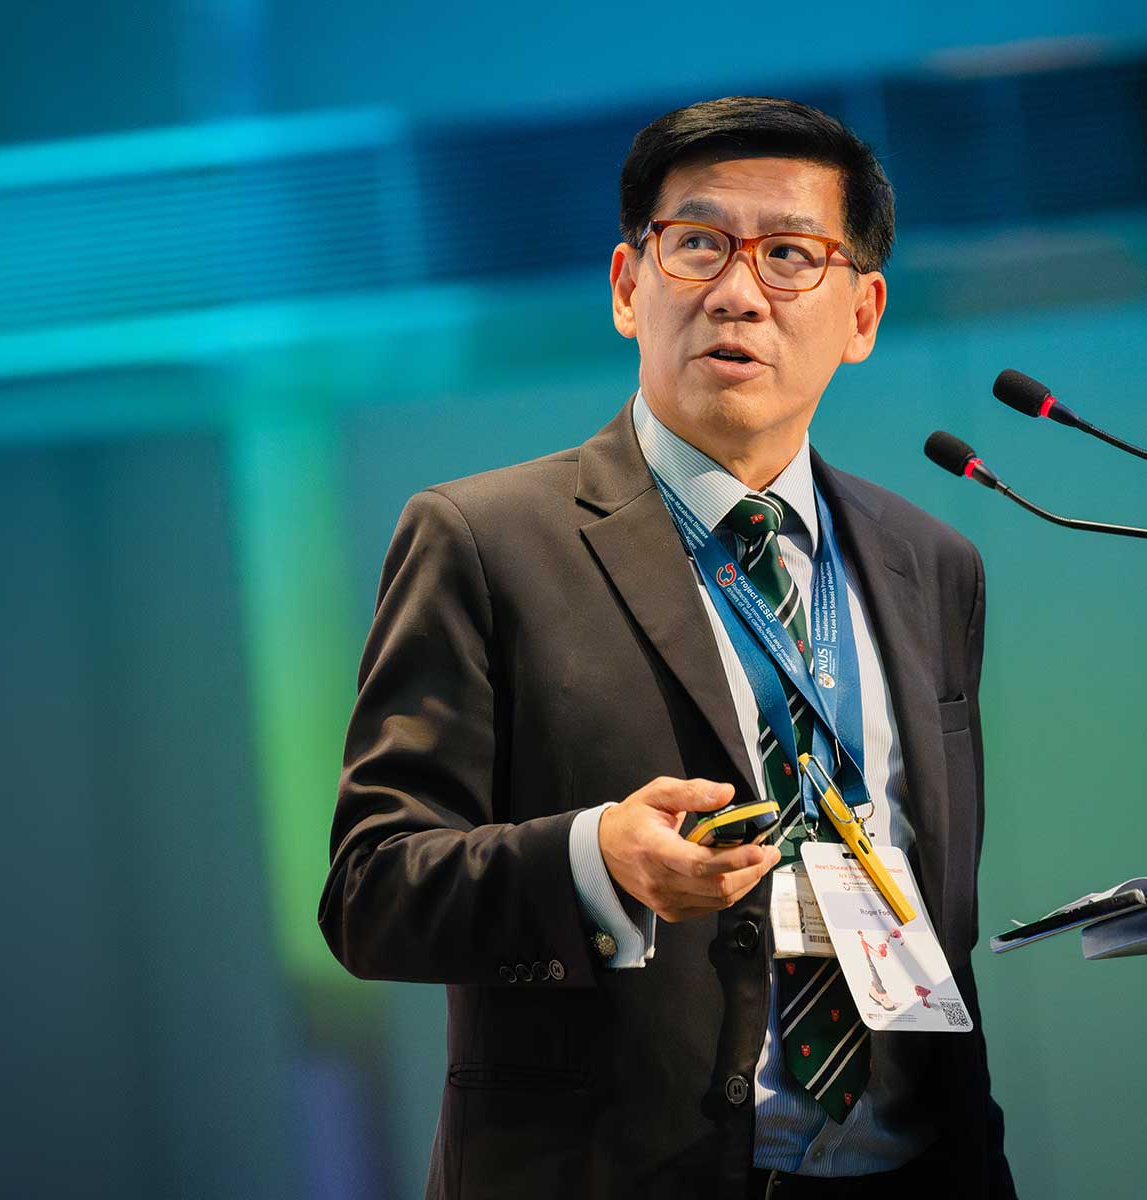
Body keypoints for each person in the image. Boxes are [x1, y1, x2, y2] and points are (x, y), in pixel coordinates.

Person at [319, 95, 1018, 1199]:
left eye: (791, 254)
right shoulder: (485, 539)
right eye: (696, 245)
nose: (739, 291)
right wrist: (596, 859)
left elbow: (937, 914)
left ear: (862, 314)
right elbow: (371, 893)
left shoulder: (930, 563)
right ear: (626, 286)